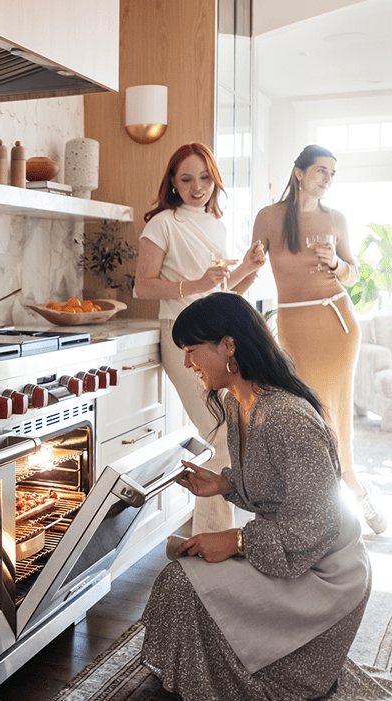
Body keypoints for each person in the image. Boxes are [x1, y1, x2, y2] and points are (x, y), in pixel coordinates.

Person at [140, 292, 386, 701]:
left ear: (228, 346)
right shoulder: (240, 405)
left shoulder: (287, 417)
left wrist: (235, 541)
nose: (186, 363)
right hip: (291, 549)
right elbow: (275, 485)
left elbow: (316, 522)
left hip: (326, 571)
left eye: (191, 350)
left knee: (183, 583)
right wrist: (222, 484)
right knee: (180, 579)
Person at [251, 144, 387, 534]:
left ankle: (349, 486)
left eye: (332, 173)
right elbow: (253, 262)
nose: (327, 179)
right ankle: (336, 493)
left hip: (336, 322)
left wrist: (336, 263)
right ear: (299, 172)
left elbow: (353, 275)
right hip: (294, 325)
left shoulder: (336, 219)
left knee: (334, 412)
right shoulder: (270, 217)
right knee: (306, 412)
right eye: (320, 171)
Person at [134, 142, 265, 534]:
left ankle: (216, 535)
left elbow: (216, 294)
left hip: (217, 339)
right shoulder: (163, 223)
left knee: (233, 428)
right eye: (187, 178)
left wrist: (247, 267)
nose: (197, 186)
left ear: (215, 180)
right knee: (219, 431)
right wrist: (195, 282)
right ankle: (213, 540)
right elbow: (143, 286)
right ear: (173, 182)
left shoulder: (216, 225)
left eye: (205, 177)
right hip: (183, 340)